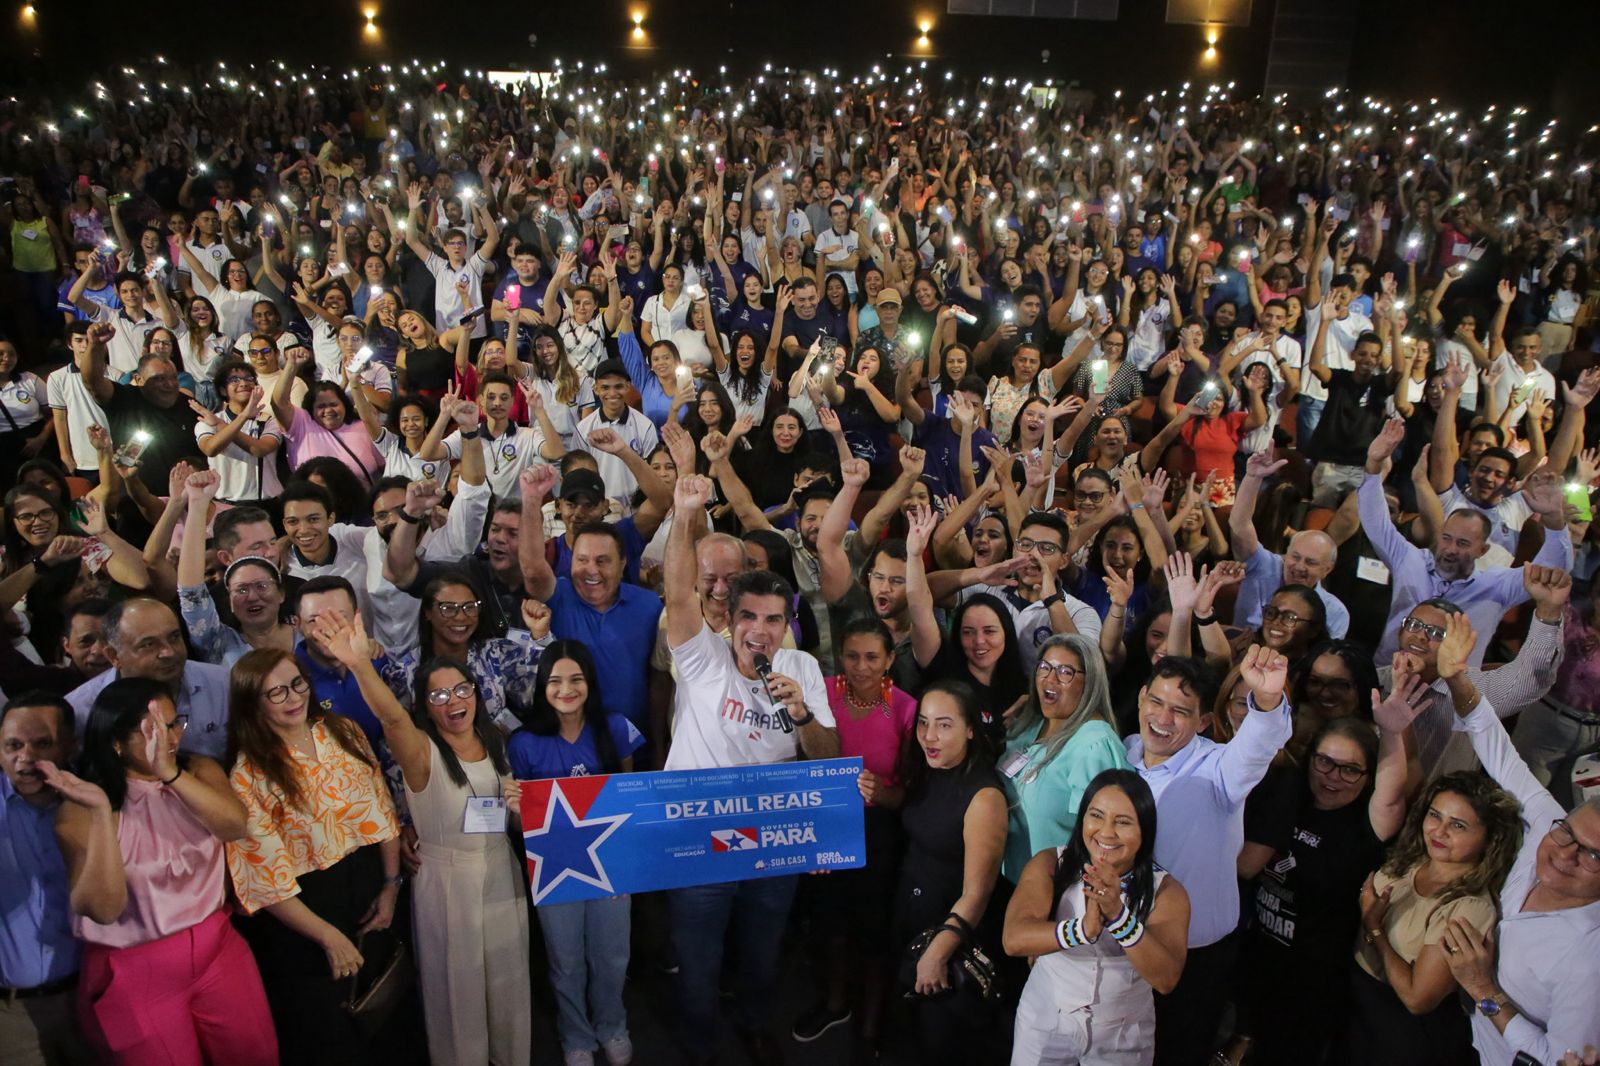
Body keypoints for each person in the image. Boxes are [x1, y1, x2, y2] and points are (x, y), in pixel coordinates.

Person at [661, 472, 839, 1064]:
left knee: (763, 950)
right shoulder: (703, 657)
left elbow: (829, 761)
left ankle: (757, 1023)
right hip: (697, 835)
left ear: (787, 622)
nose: (759, 632)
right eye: (749, 618)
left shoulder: (802, 668)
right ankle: (701, 1040)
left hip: (773, 838)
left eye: (772, 620)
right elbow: (679, 595)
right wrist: (687, 514)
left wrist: (802, 713)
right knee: (700, 956)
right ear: (731, 619)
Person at [306, 609, 532, 1066]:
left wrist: (520, 810)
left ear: (476, 694)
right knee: (458, 996)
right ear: (425, 706)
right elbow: (390, 720)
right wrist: (358, 664)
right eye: (439, 694)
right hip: (447, 883)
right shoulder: (421, 750)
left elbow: (512, 822)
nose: (454, 700)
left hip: (501, 873)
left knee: (509, 984)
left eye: (462, 689)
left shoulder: (492, 740)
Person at [43, 677, 277, 1066]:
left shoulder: (197, 769)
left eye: (174, 724)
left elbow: (235, 825)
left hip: (217, 947)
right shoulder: (81, 808)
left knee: (257, 1055)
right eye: (154, 729)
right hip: (135, 972)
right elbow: (103, 909)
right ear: (116, 740)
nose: (170, 737)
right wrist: (103, 813)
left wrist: (170, 774)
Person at [1430, 612, 1600, 1065]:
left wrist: (1484, 991)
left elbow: (1554, 1060)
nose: (1564, 852)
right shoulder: (1551, 828)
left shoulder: (1590, 958)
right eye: (1568, 832)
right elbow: (1499, 753)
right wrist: (1456, 678)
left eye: (1591, 856)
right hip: (1447, 1028)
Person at [223, 649, 402, 1066]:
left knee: (385, 1015)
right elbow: (264, 879)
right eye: (276, 692)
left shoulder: (343, 732)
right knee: (329, 1033)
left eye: (297, 683)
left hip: (370, 888)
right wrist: (327, 936)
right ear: (253, 703)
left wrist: (392, 886)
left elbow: (383, 810)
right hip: (307, 913)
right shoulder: (247, 774)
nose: (292, 697)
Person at [1127, 650, 1292, 1066]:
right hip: (1125, 946)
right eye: (1157, 703)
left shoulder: (1219, 768)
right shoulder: (1124, 753)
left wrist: (1268, 701)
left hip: (1195, 961)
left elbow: (1255, 749)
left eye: (1180, 711)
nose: (1163, 719)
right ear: (1142, 698)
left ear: (1202, 722)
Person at [1231, 713, 1407, 1063]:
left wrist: (1393, 729)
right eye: (1324, 761)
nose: (1332, 777)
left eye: (1350, 769)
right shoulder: (1289, 801)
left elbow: (1391, 791)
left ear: (1368, 775)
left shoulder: (1366, 827)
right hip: (1256, 961)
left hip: (1311, 985)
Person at [508, 642, 642, 1066]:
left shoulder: (616, 727)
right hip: (553, 868)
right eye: (555, 681)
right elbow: (519, 826)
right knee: (565, 960)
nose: (566, 689)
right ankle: (575, 1035)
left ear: (590, 682)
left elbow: (629, 796)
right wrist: (514, 809)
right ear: (542, 688)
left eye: (576, 679)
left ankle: (612, 1025)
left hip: (612, 863)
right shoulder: (524, 743)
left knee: (613, 954)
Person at [1003, 768, 1192, 1066]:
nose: (1105, 832)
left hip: (1124, 1033)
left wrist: (1118, 916)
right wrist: (1082, 930)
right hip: (1046, 1020)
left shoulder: (1167, 890)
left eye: (1123, 822)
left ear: (1145, 830)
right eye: (1096, 816)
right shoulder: (1051, 864)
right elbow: (1013, 940)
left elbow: (1166, 978)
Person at [793, 616, 917, 1053]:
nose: (860, 667)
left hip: (877, 830)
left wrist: (881, 793)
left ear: (889, 660)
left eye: (871, 657)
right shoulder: (822, 693)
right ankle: (834, 1004)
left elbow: (907, 794)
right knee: (828, 924)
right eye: (852, 656)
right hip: (824, 824)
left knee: (872, 932)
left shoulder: (905, 708)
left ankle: (869, 1029)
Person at [1358, 417, 1572, 666]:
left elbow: (1551, 572)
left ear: (1483, 550)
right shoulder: (1411, 561)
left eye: (1463, 544)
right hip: (1388, 675)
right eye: (1447, 539)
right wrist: (1373, 466)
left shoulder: (1497, 586)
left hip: (1451, 698)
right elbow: (1376, 523)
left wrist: (1556, 523)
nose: (1450, 549)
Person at [1346, 771, 1523, 1066]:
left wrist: (1374, 929)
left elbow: (1418, 999)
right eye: (1434, 815)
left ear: (1489, 838)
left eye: (1458, 825)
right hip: (1355, 1003)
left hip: (1396, 1033)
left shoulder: (1469, 908)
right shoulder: (1414, 859)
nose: (1438, 832)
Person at [892, 678, 1008, 1066]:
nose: (929, 735)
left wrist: (938, 953)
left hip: (948, 946)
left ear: (971, 728)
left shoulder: (984, 797)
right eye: (924, 723)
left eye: (944, 724)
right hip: (912, 924)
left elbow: (978, 892)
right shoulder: (928, 768)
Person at [0, 693, 96, 1066]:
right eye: (13, 745)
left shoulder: (96, 806)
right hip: (11, 1018)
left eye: (42, 744)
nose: (25, 758)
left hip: (91, 1001)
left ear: (70, 746)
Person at [999, 633, 1130, 884]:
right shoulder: (1031, 723)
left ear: (1089, 682)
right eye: (1045, 667)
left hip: (1054, 892)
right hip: (1009, 880)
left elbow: (1101, 838)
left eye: (1065, 672)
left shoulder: (1094, 744)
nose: (1050, 678)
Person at [65, 597, 232, 761]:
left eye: (174, 637)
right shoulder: (80, 711)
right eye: (148, 644)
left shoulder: (225, 685)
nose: (168, 652)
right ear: (113, 655)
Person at [1228, 448, 1350, 637]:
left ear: (1327, 569)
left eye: (1311, 562)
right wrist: (1252, 478)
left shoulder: (1335, 612)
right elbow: (1239, 524)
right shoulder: (1264, 565)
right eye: (1295, 557)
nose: (1299, 567)